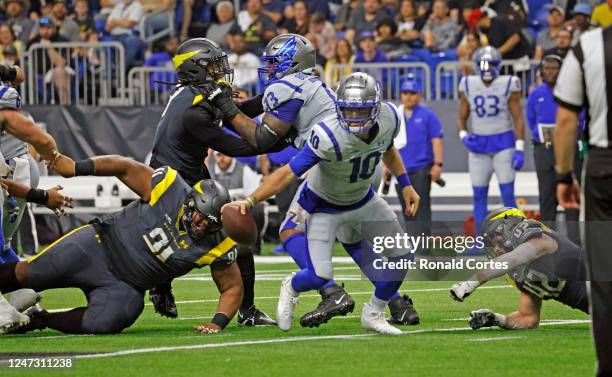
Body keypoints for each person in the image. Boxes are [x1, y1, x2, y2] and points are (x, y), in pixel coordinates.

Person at [209, 34, 419, 327]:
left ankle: (330, 291)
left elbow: (260, 138)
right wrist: (405, 182)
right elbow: (386, 145)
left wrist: (225, 113)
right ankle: (395, 302)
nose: (269, 68)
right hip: (359, 166)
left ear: (290, 62)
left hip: (332, 164)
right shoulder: (311, 85)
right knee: (351, 234)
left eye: (273, 62)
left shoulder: (287, 88)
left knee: (289, 229)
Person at [0, 155, 244, 335]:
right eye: (198, 216)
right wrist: (76, 167)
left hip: (126, 286)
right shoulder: (169, 187)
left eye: (209, 224)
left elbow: (232, 286)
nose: (200, 225)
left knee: (106, 322)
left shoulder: (218, 242)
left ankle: (39, 319)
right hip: (98, 246)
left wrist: (217, 323)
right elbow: (124, 166)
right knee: (29, 274)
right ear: (190, 201)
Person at [148, 37, 287, 326]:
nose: (219, 71)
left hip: (187, 177)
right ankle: (163, 285)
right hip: (174, 185)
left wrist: (279, 92)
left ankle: (163, 286)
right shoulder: (193, 110)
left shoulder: (195, 96)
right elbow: (240, 146)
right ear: (195, 69)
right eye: (212, 66)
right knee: (231, 242)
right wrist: (283, 138)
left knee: (231, 241)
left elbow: (238, 113)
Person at [553, 25, 612, 377]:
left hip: (604, 169)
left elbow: (565, 120)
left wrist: (563, 174)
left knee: (604, 281)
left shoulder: (588, 46)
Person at [450, 207, 588, 330]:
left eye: (495, 238)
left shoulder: (540, 240)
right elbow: (528, 318)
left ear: (509, 227)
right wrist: (496, 319)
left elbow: (514, 258)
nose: (496, 248)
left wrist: (470, 283)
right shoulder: (523, 270)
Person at [457, 46, 526, 240]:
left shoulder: (508, 83)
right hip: (479, 145)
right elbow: (461, 116)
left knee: (508, 194)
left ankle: (515, 239)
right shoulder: (468, 83)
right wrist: (463, 136)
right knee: (479, 195)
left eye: (491, 64)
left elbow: (518, 117)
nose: (487, 68)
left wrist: (519, 148)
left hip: (503, 143)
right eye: (484, 64)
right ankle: (480, 241)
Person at [526, 54, 581, 245]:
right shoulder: (535, 94)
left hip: (568, 151)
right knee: (547, 199)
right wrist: (540, 135)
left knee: (571, 201)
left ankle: (575, 245)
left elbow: (579, 118)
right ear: (541, 71)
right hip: (544, 150)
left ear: (562, 70)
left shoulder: (572, 91)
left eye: (554, 68)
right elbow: (531, 120)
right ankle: (549, 245)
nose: (550, 71)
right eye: (547, 68)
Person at [389, 79, 443, 239]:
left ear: (419, 95)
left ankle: (424, 243)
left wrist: (438, 165)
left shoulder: (428, 115)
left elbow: (437, 140)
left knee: (422, 208)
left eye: (412, 93)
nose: (408, 96)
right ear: (401, 95)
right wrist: (387, 169)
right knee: (407, 209)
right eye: (405, 93)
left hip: (420, 169)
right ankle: (413, 242)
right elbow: (389, 145)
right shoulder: (396, 115)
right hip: (401, 172)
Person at [27, 18, 70, 105]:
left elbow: (61, 64)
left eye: (48, 28)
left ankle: (65, 108)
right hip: (37, 74)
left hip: (61, 72)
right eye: (42, 28)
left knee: (59, 71)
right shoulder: (33, 42)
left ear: (54, 28)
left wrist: (49, 48)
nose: (45, 31)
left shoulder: (62, 40)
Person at [105, 0, 146, 68]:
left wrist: (115, 22)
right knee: (105, 42)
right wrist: (121, 21)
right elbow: (107, 27)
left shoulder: (138, 6)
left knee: (132, 41)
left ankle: (122, 71)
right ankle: (111, 74)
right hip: (114, 36)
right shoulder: (118, 6)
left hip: (130, 35)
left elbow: (128, 24)